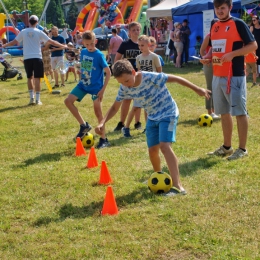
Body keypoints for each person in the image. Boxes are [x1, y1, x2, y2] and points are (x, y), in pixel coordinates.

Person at [95, 59, 211, 196]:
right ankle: (158, 177)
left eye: (127, 81)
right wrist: (102, 122)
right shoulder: (125, 88)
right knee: (152, 150)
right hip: (152, 117)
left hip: (168, 113)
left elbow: (175, 78)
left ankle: (178, 186)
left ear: (133, 72)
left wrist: (197, 89)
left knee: (165, 146)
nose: (126, 85)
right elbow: (115, 107)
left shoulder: (149, 77)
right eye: (121, 83)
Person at [202, 0, 257, 160]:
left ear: (230, 8)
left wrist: (233, 54)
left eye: (222, 8)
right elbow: (214, 47)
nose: (219, 11)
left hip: (235, 76)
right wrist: (207, 57)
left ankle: (242, 149)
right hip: (217, 75)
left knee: (239, 112)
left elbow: (253, 45)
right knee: (224, 113)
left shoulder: (238, 23)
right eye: (217, 8)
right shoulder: (215, 24)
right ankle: (227, 147)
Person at [2, 15, 68, 105]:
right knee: (37, 78)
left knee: (30, 78)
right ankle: (37, 99)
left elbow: (14, 42)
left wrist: (4, 46)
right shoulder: (39, 32)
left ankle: (31, 99)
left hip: (27, 57)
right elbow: (51, 42)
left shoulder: (23, 31)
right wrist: (63, 46)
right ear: (36, 22)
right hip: (37, 57)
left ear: (29, 22)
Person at [64, 31, 111, 149]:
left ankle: (104, 139)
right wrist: (81, 72)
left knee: (98, 113)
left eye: (91, 44)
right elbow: (85, 67)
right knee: (68, 101)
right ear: (83, 43)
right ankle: (83, 125)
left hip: (96, 88)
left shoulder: (99, 55)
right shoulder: (83, 52)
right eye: (87, 44)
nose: (90, 47)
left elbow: (108, 73)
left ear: (95, 41)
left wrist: (103, 90)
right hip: (83, 85)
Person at [121, 35, 162, 138]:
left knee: (148, 108)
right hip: (141, 87)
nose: (140, 47)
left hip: (151, 86)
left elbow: (159, 72)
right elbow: (139, 71)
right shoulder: (138, 57)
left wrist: (157, 85)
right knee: (135, 107)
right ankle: (126, 128)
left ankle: (148, 127)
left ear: (148, 45)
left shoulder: (154, 57)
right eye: (139, 45)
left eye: (142, 45)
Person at [113, 22, 142, 132]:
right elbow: (117, 58)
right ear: (129, 32)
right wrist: (119, 72)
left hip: (138, 77)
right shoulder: (125, 44)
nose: (136, 32)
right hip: (127, 76)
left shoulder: (142, 44)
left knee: (138, 100)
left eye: (137, 29)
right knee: (126, 100)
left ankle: (137, 122)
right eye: (133, 30)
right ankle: (121, 122)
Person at [200, 34, 219, 119]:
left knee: (217, 87)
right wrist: (205, 59)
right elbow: (202, 50)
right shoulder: (209, 36)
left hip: (219, 64)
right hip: (209, 64)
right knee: (210, 87)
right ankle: (210, 111)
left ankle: (216, 111)